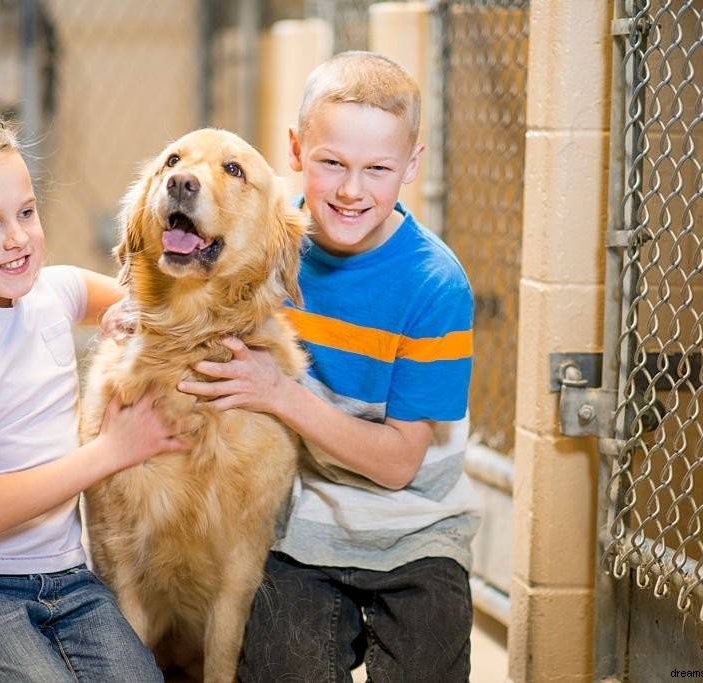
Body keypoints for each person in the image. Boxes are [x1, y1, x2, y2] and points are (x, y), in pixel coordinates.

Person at [178, 51, 480, 681]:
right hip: (299, 524)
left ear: (412, 166)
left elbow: (400, 465)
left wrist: (281, 394)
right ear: (295, 150)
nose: (351, 190)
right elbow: (180, 282)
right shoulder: (266, 234)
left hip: (415, 529)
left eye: (378, 170)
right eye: (332, 163)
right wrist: (124, 307)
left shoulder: (434, 285)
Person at [0, 113, 184, 683]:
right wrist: (113, 450)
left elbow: (137, 300)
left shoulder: (57, 292)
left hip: (65, 579)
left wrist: (128, 311)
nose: (18, 237)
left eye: (26, 211)